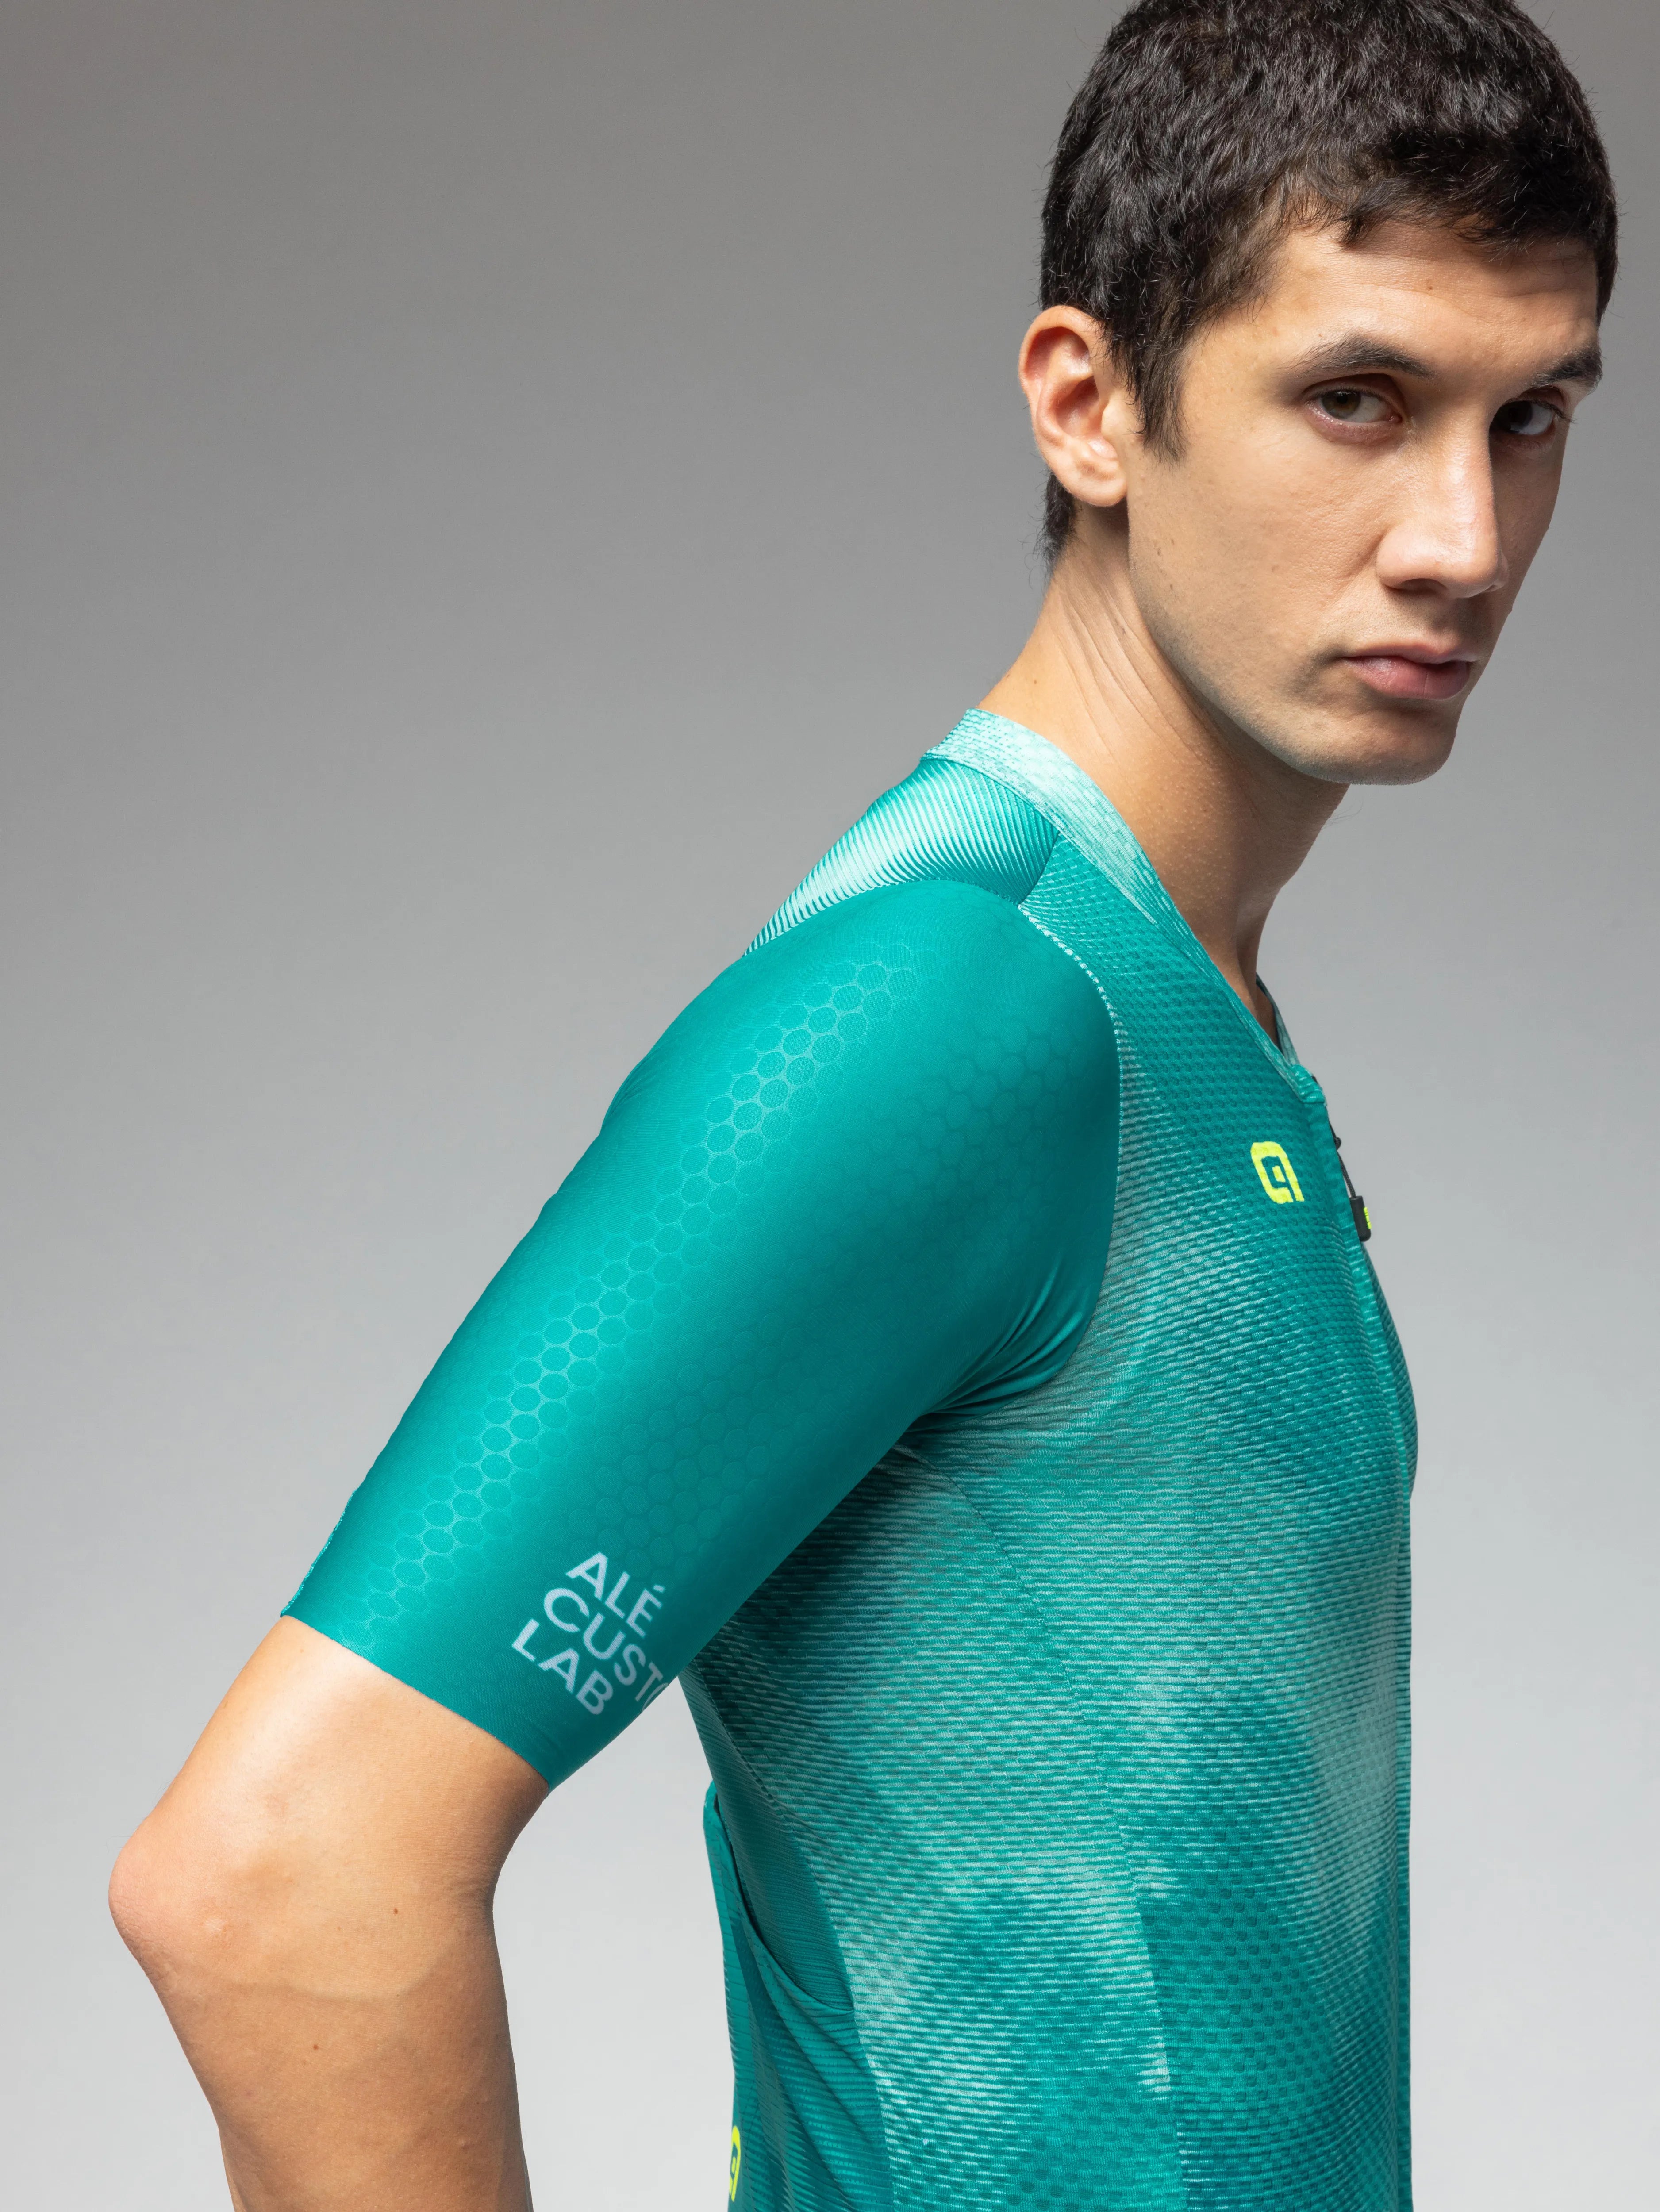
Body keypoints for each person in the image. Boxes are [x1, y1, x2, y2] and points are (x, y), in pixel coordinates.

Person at [109, 3, 1616, 2206]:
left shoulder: (1173, 1005)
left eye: (1530, 415)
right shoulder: (954, 1011)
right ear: (1088, 405)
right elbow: (277, 1872)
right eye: (1355, 401)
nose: (1460, 538)